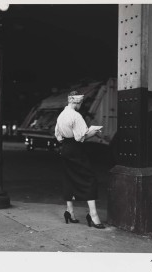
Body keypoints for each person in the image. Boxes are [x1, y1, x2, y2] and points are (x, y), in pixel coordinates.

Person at [55, 90, 105, 229]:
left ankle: (70, 212)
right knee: (89, 179)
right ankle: (93, 215)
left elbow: (58, 136)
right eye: (81, 103)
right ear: (77, 102)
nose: (81, 106)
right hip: (76, 150)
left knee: (69, 178)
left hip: (65, 149)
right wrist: (93, 132)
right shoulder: (76, 116)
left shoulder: (61, 115)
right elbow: (80, 137)